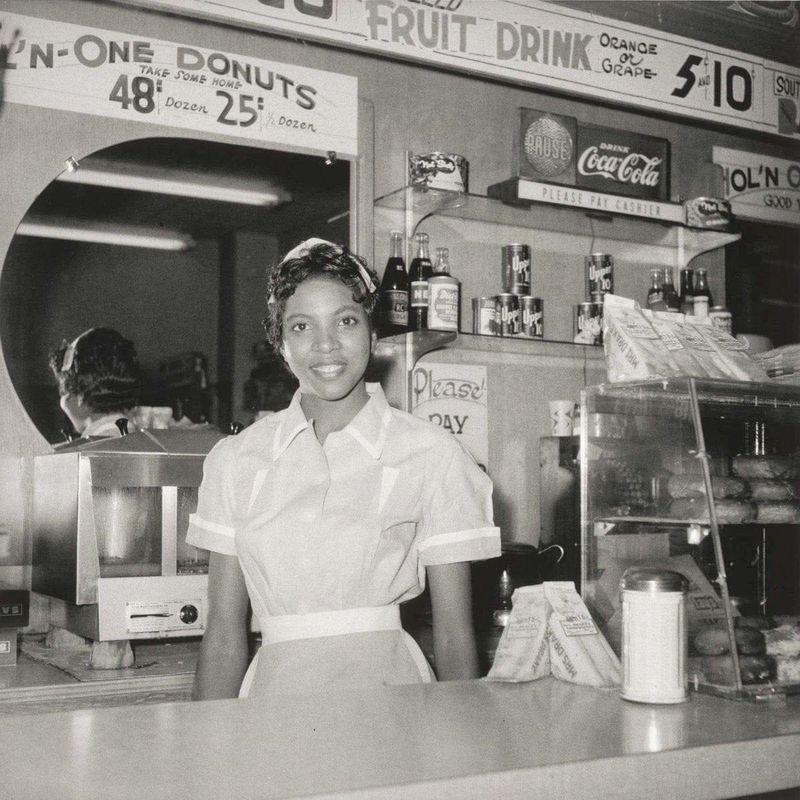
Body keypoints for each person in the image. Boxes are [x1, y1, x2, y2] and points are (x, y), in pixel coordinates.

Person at [188, 238, 500, 700]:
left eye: (346, 321)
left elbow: (455, 638)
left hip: (393, 700)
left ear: (374, 336)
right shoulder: (235, 461)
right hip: (275, 702)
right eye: (301, 327)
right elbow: (223, 636)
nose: (326, 345)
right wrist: (205, 757)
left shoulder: (432, 453)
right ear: (281, 346)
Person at [49, 327, 141, 438]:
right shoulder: (138, 440)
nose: (63, 400)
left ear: (77, 397)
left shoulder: (84, 449)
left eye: (64, 393)